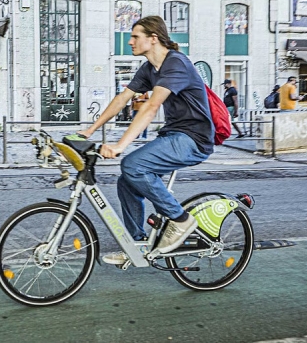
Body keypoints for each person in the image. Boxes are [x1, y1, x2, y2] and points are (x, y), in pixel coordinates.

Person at [78, 16, 214, 265]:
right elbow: (122, 99)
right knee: (126, 181)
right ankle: (136, 245)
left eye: (135, 37)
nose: (130, 42)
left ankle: (180, 220)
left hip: (194, 138)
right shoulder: (149, 69)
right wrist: (90, 130)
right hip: (173, 134)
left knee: (132, 165)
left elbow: (151, 107)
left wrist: (120, 146)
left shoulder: (176, 63)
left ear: (153, 39)